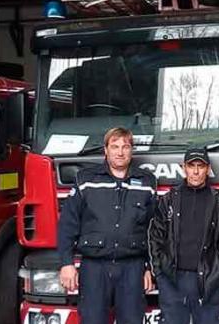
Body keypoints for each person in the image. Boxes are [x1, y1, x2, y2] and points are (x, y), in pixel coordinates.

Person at [57, 127, 156, 324]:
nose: (120, 152)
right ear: (106, 150)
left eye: (125, 147)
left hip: (132, 268)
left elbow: (153, 230)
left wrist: (149, 268)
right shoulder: (86, 180)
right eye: (115, 146)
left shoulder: (147, 182)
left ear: (131, 151)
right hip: (94, 268)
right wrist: (66, 263)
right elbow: (67, 224)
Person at [148, 148, 219, 324]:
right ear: (184, 168)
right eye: (192, 166)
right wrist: (159, 272)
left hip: (208, 281)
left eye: (200, 166)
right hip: (173, 280)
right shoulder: (169, 200)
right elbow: (154, 237)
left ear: (208, 169)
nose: (196, 171)